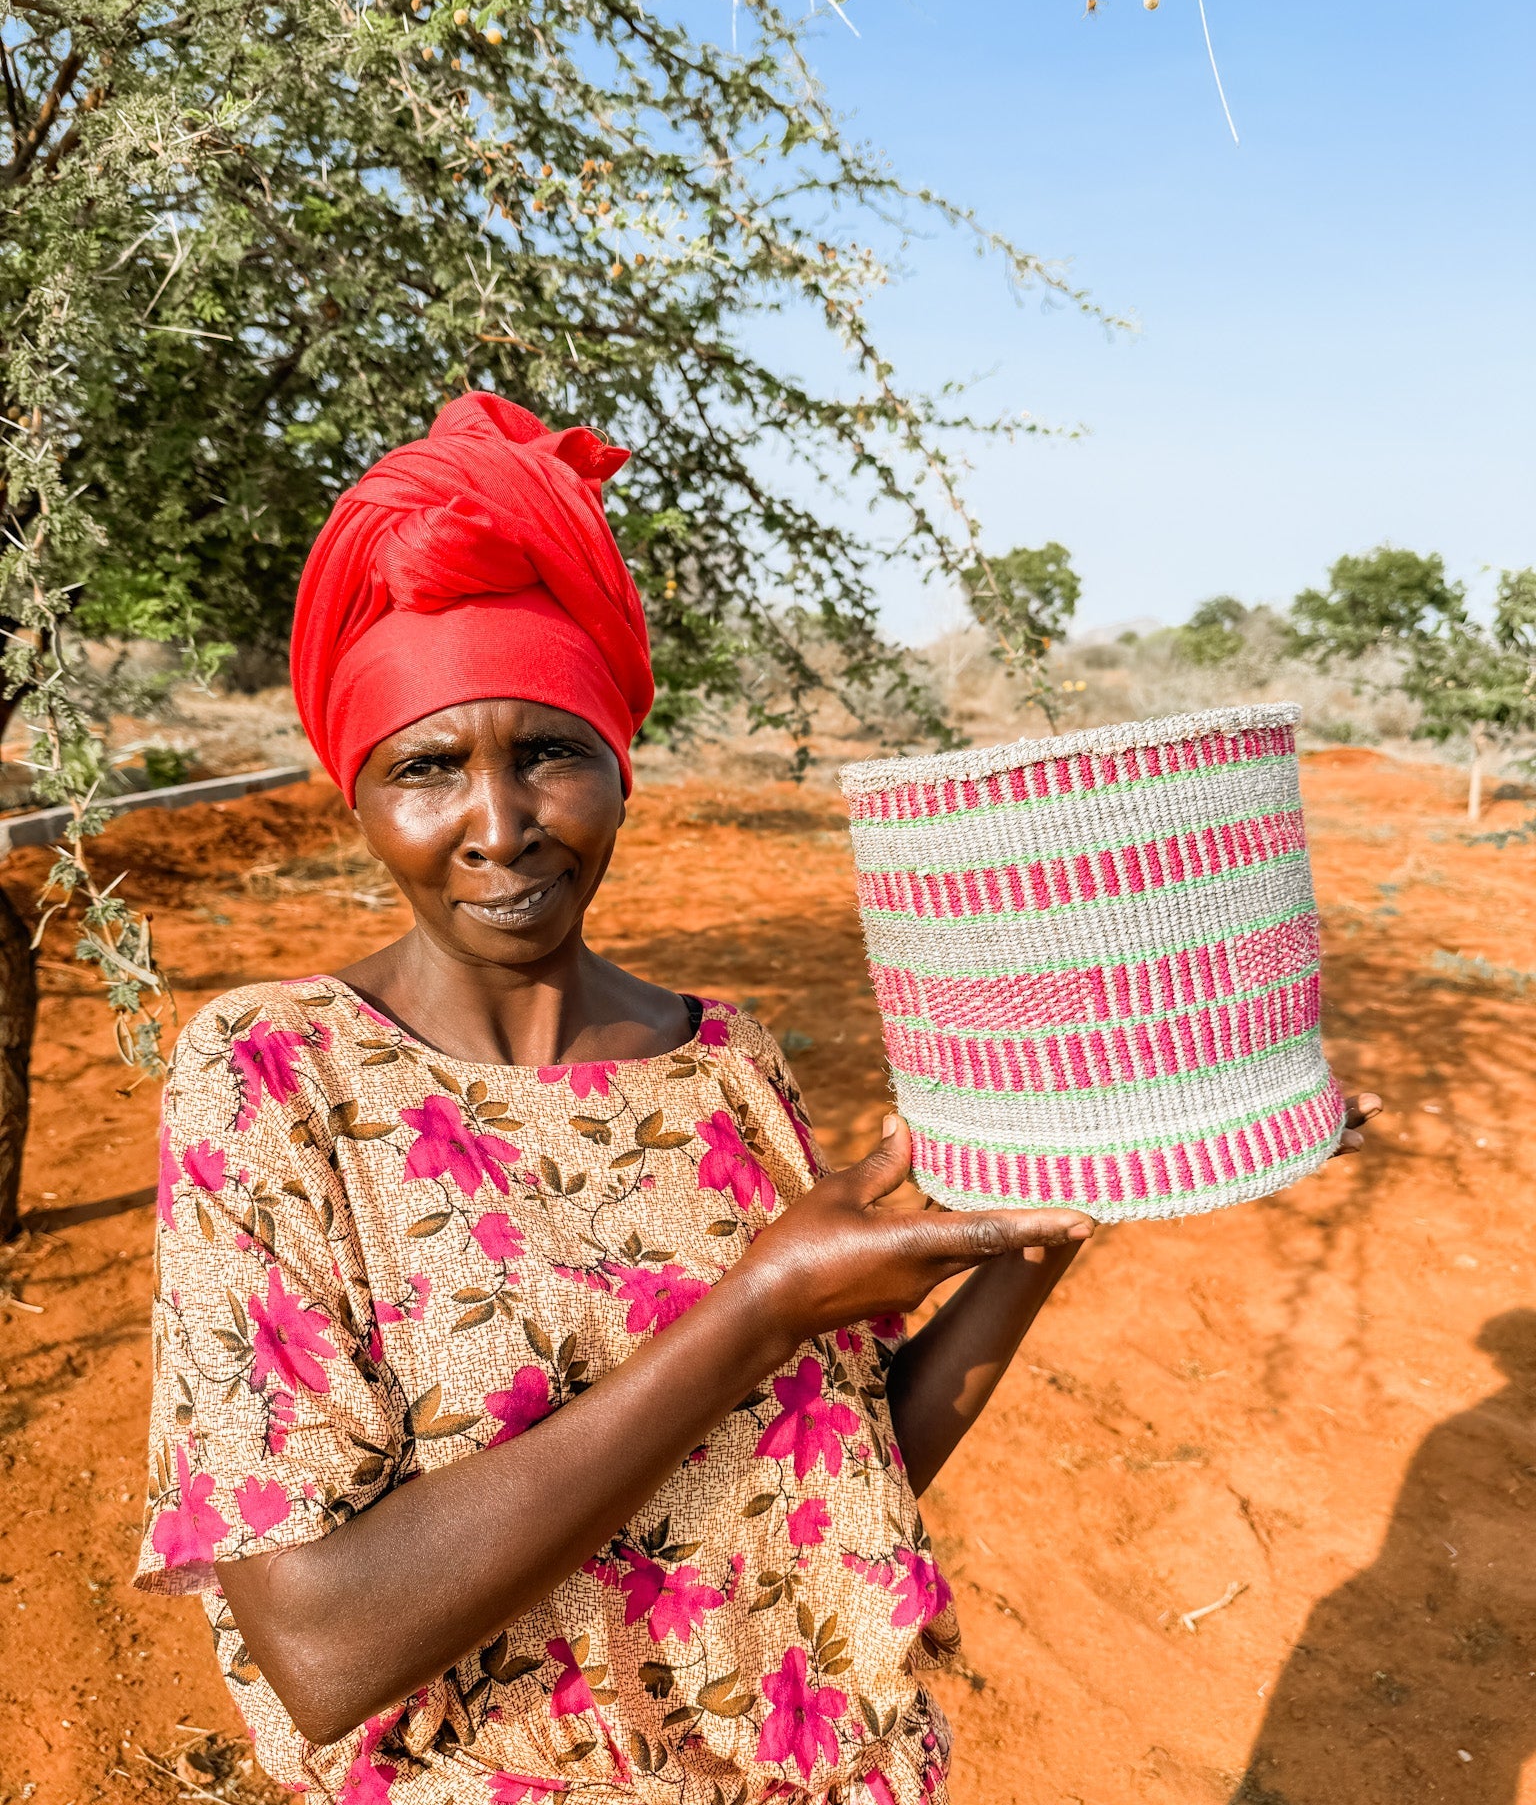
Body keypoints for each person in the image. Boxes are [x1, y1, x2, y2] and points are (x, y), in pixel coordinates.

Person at [133, 393, 1375, 1805]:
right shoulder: (271, 1078)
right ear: (353, 790)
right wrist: (761, 1304)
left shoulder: (726, 1062)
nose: (501, 825)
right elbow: (325, 1639)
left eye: (550, 750)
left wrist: (1052, 1221)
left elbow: (840, 1470)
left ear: (621, 763)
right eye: (429, 766)